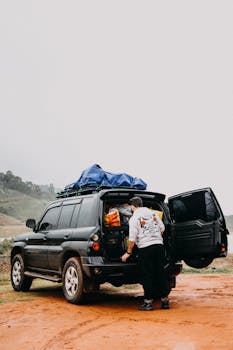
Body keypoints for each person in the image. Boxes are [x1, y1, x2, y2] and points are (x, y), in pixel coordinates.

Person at [121, 196, 170, 311]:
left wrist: (128, 253)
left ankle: (148, 303)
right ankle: (165, 301)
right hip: (159, 247)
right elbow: (162, 228)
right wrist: (155, 237)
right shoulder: (153, 214)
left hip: (145, 248)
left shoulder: (134, 218)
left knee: (147, 275)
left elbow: (132, 238)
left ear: (133, 206)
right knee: (160, 273)